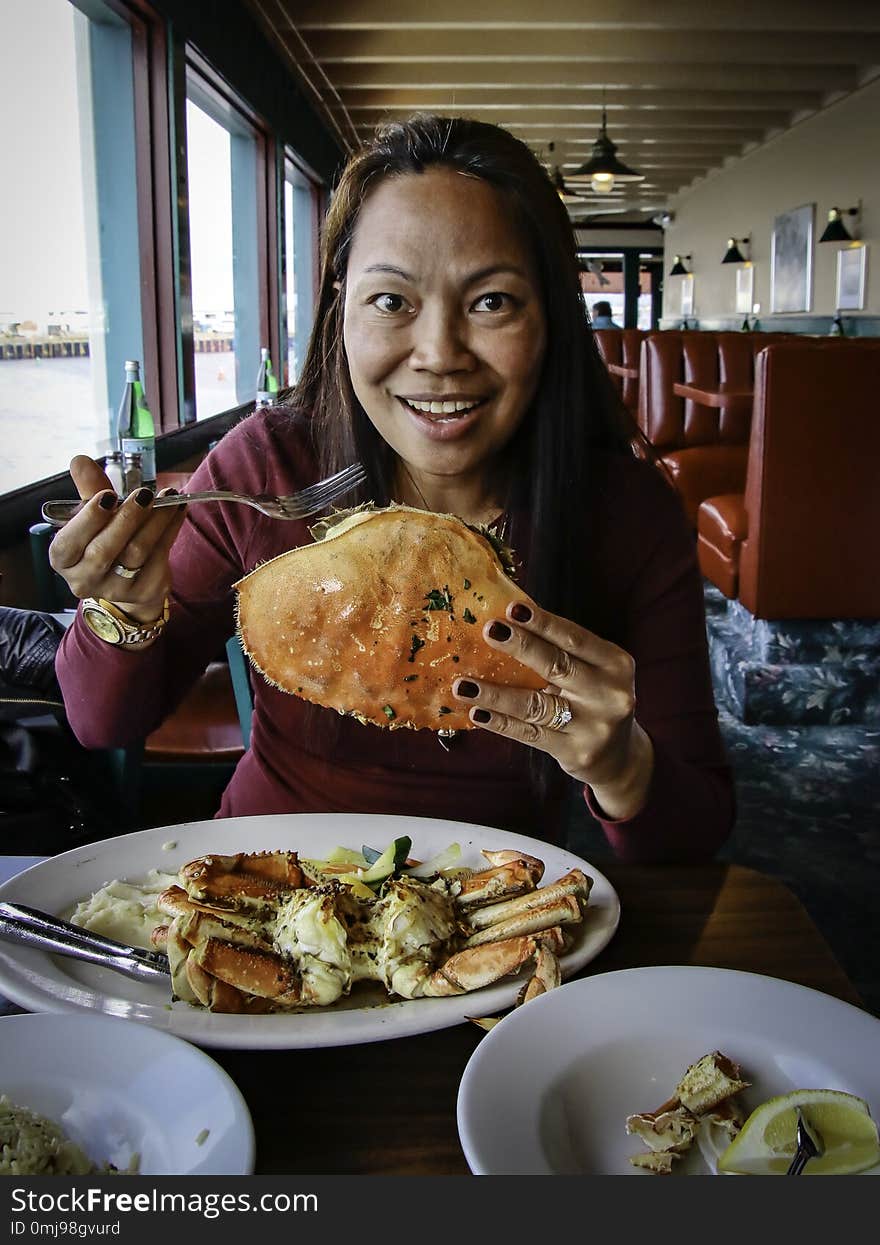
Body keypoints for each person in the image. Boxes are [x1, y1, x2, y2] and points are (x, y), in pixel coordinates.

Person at [51, 114, 734, 862]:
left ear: (550, 316)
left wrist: (621, 764)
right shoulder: (268, 471)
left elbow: (694, 836)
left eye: (492, 301)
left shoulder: (625, 513)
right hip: (263, 884)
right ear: (342, 302)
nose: (439, 354)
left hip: (487, 914)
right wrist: (118, 605)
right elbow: (100, 723)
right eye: (391, 300)